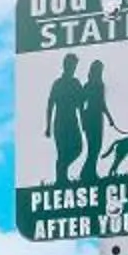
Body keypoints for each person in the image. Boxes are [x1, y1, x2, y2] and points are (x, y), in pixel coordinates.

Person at [44, 53, 86, 185]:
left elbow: (80, 104)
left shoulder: (75, 83)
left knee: (77, 148)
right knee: (62, 151)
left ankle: (61, 174)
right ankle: (61, 179)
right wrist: (48, 126)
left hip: (72, 121)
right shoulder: (58, 84)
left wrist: (83, 122)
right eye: (71, 65)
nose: (72, 68)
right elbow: (50, 105)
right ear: (65, 65)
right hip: (60, 122)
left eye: (74, 66)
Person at [80, 60, 114, 181]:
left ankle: (90, 172)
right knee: (93, 147)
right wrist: (83, 120)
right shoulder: (89, 85)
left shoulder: (99, 85)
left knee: (96, 147)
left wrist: (109, 118)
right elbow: (81, 103)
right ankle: (86, 173)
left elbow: (102, 103)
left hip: (97, 118)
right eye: (99, 70)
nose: (100, 72)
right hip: (91, 117)